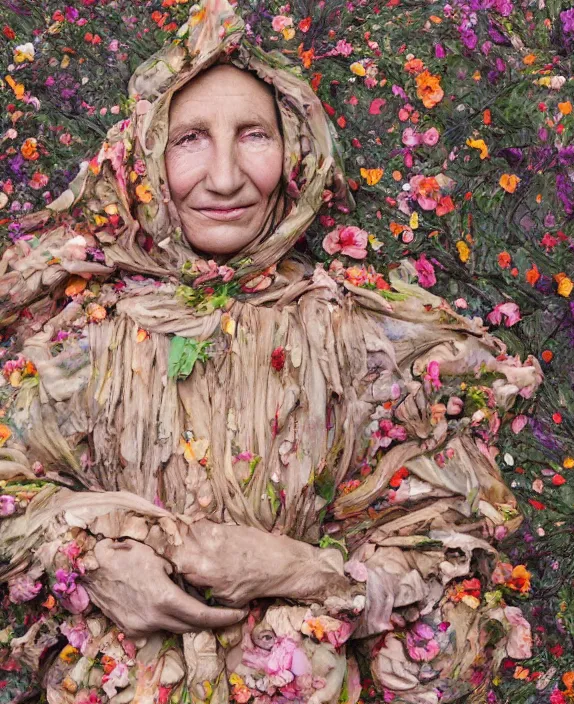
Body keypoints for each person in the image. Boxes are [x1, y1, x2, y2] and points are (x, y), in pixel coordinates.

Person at [0, 1, 542, 702]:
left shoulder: (356, 335)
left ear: (298, 154)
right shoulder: (82, 337)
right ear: (146, 157)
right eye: (191, 138)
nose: (224, 178)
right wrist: (92, 554)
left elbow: (446, 545)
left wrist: (303, 571)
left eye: (252, 135)